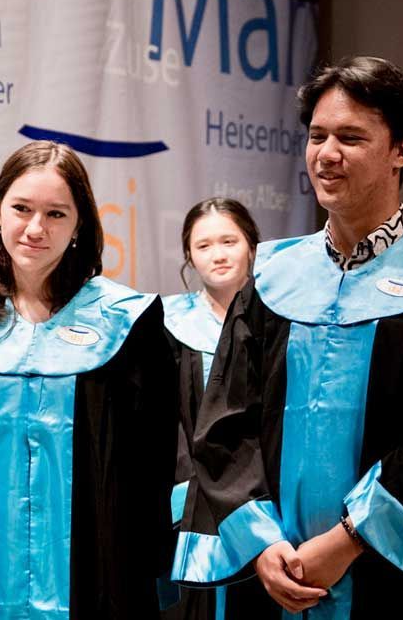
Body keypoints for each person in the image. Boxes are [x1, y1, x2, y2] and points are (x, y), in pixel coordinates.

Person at [171, 57, 403, 619]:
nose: (326, 154)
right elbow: (225, 422)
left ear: (402, 151)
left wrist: (348, 540)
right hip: (274, 574)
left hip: (394, 578)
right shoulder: (271, 279)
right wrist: (262, 544)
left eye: (351, 138)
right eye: (317, 136)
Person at [0, 140, 178, 618]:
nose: (35, 228)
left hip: (102, 571)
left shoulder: (127, 323)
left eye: (56, 214)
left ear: (80, 224)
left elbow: (155, 463)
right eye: (21, 208)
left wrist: (148, 566)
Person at [162, 198, 260, 620]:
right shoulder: (167, 323)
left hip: (260, 505)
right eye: (203, 246)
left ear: (252, 248)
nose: (217, 254)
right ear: (189, 257)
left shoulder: (277, 319)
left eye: (228, 241)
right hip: (185, 501)